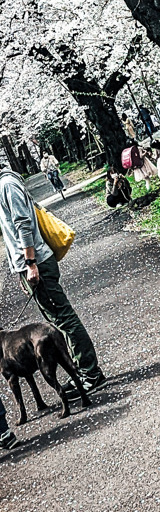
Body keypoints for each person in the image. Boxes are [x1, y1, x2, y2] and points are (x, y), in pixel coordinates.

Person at [0, 169, 106, 395]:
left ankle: (91, 374)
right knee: (57, 320)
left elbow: (23, 223)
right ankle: (81, 371)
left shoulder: (7, 184)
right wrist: (21, 270)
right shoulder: (6, 183)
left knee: (64, 319)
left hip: (36, 261)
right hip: (30, 264)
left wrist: (30, 263)